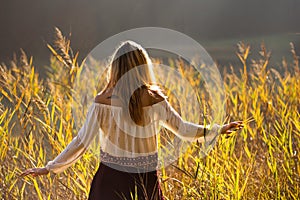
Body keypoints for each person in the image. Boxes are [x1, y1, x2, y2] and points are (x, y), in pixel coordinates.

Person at [21, 40, 243, 199]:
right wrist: (217, 129)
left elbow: (81, 142)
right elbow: (184, 129)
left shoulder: (102, 102)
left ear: (115, 67)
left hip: (109, 180)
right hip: (144, 181)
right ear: (143, 66)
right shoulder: (155, 100)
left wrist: (49, 168)